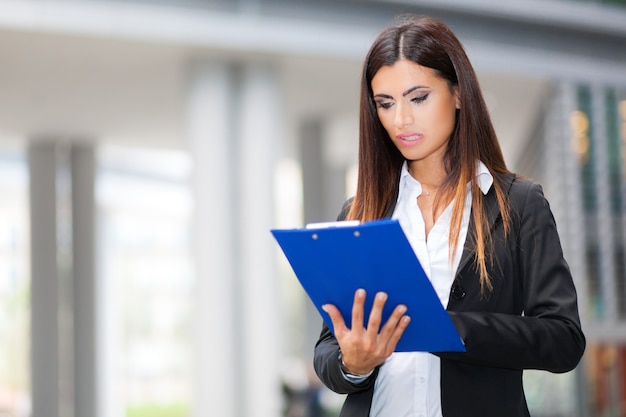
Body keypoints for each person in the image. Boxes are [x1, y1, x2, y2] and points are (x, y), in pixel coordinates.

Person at [313, 14, 586, 417]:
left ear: (458, 94)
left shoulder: (519, 204)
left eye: (418, 97)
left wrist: (447, 329)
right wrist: (354, 364)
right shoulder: (359, 213)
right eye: (385, 104)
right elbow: (327, 350)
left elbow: (563, 340)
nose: (400, 119)